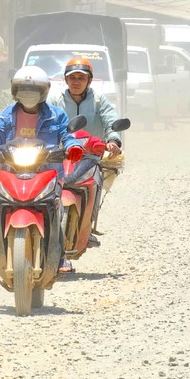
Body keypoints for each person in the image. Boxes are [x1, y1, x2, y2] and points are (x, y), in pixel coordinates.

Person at [0, 65, 83, 275]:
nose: (28, 94)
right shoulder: (3, 117)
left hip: (47, 172)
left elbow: (67, 136)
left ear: (43, 92)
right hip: (13, 172)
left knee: (56, 207)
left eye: (33, 90)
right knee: (0, 205)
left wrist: (72, 147)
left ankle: (60, 255)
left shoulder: (57, 115)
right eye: (24, 89)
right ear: (15, 91)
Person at [47, 56, 122, 250]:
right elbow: (46, 122)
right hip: (61, 154)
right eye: (72, 78)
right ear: (65, 80)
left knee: (96, 183)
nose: (76, 82)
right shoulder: (55, 100)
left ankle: (88, 227)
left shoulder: (98, 100)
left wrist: (113, 140)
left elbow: (111, 120)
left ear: (89, 80)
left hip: (90, 155)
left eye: (81, 77)